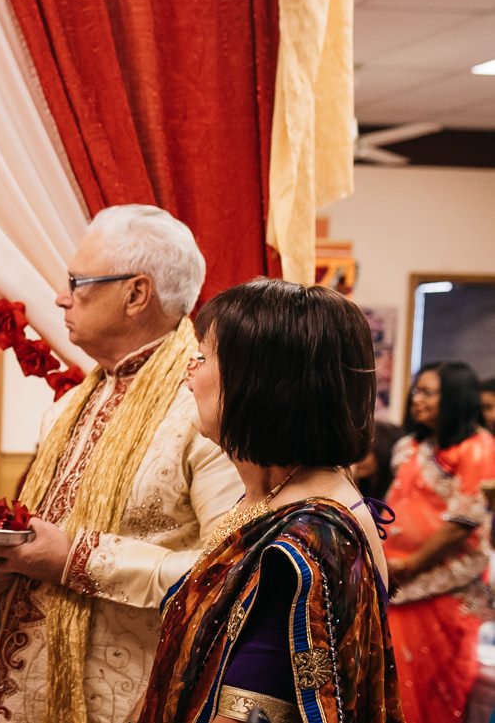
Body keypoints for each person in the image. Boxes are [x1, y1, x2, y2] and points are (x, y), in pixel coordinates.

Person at [0, 205, 241, 723]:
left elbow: (229, 574)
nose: (60, 296)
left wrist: (78, 560)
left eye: (77, 281)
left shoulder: (205, 410)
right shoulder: (72, 404)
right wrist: (4, 562)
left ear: (136, 294)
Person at [134, 279, 402, 723]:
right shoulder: (285, 496)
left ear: (258, 384)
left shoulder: (304, 542)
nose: (188, 374)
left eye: (202, 357)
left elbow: (250, 709)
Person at [384, 360, 495, 723]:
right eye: (416, 390)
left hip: (439, 587)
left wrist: (411, 565)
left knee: (434, 691)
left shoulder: (477, 448)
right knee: (394, 685)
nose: (417, 399)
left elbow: (463, 522)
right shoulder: (413, 445)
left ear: (454, 398)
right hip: (397, 581)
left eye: (428, 392)